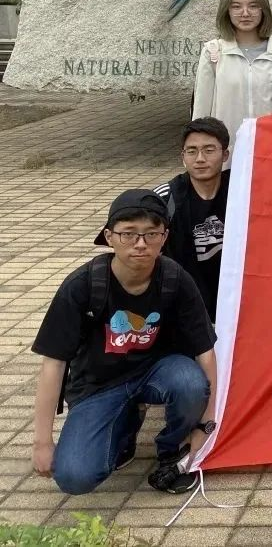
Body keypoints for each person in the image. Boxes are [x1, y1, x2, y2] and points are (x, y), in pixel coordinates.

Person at [31, 190, 217, 495]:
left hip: (156, 372)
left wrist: (205, 425)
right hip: (99, 385)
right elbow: (54, 362)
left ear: (164, 237)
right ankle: (124, 431)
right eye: (128, 233)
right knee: (74, 476)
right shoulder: (83, 285)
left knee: (190, 382)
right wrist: (42, 441)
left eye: (151, 234)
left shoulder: (175, 279)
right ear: (109, 237)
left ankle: (172, 449)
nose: (140, 243)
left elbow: (205, 351)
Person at [192, 0, 272, 146]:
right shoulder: (213, 52)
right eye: (236, 6)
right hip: (227, 152)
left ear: (263, 9)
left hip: (270, 150)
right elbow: (201, 112)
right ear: (227, 10)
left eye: (253, 6)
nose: (245, 13)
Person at [154, 117, 230, 322]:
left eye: (209, 150)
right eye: (192, 151)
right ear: (183, 156)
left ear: (225, 154)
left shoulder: (242, 191)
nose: (200, 158)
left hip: (234, 302)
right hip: (184, 307)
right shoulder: (164, 199)